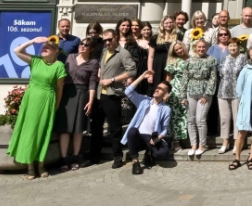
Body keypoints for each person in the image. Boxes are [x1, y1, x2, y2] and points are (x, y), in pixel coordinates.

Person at [6, 36, 65, 179]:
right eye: (43, 47)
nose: (44, 49)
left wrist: (56, 106)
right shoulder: (36, 61)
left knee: (42, 133)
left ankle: (41, 165)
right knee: (30, 131)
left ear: (56, 51)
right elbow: (16, 50)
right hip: (31, 100)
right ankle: (30, 167)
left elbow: (59, 89)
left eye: (48, 47)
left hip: (47, 101)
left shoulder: (59, 66)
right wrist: (32, 41)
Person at [118, 70, 172, 174]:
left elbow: (165, 129)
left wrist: (157, 138)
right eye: (157, 87)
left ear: (165, 94)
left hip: (151, 137)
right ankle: (136, 162)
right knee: (132, 131)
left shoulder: (166, 109)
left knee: (163, 152)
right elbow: (128, 91)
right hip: (139, 135)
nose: (157, 89)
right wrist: (142, 76)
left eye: (161, 89)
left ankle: (149, 152)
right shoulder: (144, 100)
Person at [60, 34, 101, 169]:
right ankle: (64, 158)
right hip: (67, 93)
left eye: (86, 45)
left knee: (78, 129)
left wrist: (90, 101)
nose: (82, 46)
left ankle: (76, 157)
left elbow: (92, 83)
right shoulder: (70, 57)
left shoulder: (94, 63)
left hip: (82, 93)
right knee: (65, 129)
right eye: (81, 44)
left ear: (91, 49)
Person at [97, 30, 135, 161]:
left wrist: (112, 80)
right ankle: (94, 156)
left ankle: (117, 157)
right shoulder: (104, 51)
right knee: (96, 126)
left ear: (116, 38)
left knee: (114, 128)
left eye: (109, 39)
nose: (107, 42)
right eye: (104, 40)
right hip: (99, 94)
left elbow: (132, 71)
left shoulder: (123, 53)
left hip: (112, 94)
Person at [183, 38, 219, 158]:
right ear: (195, 48)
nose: (201, 49)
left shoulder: (212, 60)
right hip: (191, 92)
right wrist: (182, 96)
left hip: (204, 93)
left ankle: (202, 145)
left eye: (203, 47)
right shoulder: (188, 61)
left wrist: (207, 94)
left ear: (207, 48)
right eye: (199, 47)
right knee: (191, 119)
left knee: (200, 119)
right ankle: (193, 144)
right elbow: (185, 79)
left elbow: (213, 79)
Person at [216, 36, 245, 153]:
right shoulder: (224, 59)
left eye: (235, 46)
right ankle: (225, 142)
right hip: (223, 92)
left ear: (238, 47)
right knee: (224, 118)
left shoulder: (243, 58)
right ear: (227, 47)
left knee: (237, 119)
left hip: (237, 93)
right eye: (231, 45)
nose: (233, 48)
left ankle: (236, 144)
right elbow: (220, 74)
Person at [164, 41, 190, 146]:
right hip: (176, 91)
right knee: (177, 117)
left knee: (188, 116)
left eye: (180, 48)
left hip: (190, 90)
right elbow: (168, 78)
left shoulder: (191, 59)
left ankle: (188, 140)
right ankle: (176, 142)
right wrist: (166, 93)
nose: (179, 51)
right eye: (176, 50)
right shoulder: (173, 61)